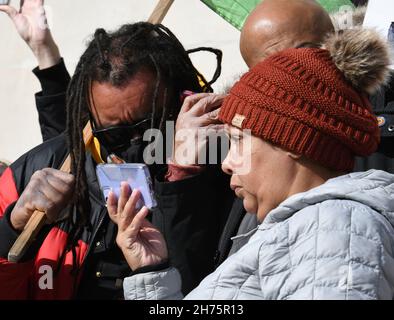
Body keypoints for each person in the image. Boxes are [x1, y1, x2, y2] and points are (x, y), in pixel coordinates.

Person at [116, 27, 394, 300]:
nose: (226, 163)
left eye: (237, 140)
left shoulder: (333, 228)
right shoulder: (311, 228)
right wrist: (152, 272)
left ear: (292, 141)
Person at [0, 17, 237, 299]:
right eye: (115, 135)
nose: (136, 147)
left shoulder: (227, 167)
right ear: (88, 119)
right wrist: (11, 229)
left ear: (182, 100)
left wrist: (181, 179)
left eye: (150, 127)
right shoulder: (34, 172)